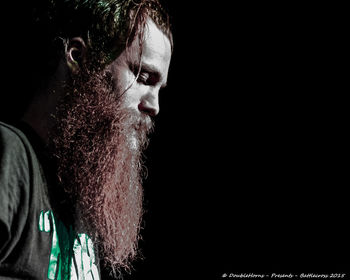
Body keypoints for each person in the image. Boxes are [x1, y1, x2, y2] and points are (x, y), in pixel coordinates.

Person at [0, 0, 173, 278]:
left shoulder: (87, 199)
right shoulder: (8, 155)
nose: (155, 106)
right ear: (79, 57)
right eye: (142, 76)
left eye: (159, 87)